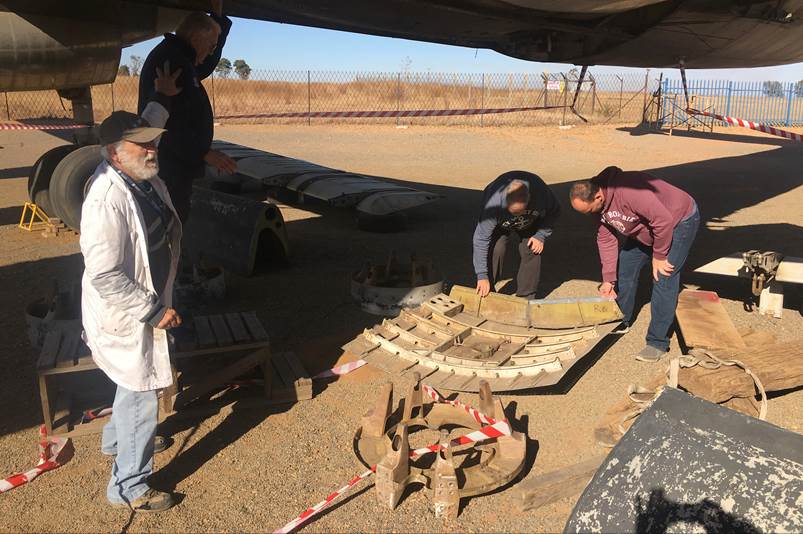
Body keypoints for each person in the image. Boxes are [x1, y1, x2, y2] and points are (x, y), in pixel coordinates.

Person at [80, 65, 182, 512]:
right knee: (142, 390)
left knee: (130, 380)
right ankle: (129, 488)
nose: (152, 149)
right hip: (129, 311)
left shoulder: (137, 175)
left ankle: (112, 443)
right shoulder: (106, 199)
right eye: (142, 144)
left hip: (144, 301)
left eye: (153, 141)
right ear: (113, 152)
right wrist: (152, 309)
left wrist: (162, 97)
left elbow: (144, 124)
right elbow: (104, 274)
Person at [569, 166, 700, 362]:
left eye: (589, 211)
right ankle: (622, 319)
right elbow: (606, 239)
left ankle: (657, 342)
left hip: (678, 220)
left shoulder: (630, 192)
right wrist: (608, 280)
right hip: (645, 228)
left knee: (663, 277)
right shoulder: (598, 203)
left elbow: (662, 221)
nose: (590, 215)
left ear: (598, 196)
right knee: (627, 265)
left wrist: (659, 255)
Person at [138, 6, 236, 224]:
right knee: (170, 223)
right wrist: (203, 153)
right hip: (169, 168)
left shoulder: (178, 56)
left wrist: (218, 18)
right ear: (195, 38)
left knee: (174, 220)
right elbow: (170, 124)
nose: (210, 53)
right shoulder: (173, 62)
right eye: (210, 46)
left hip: (173, 164)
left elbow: (205, 64)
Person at [473, 170, 560, 299]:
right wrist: (481, 275)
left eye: (519, 212)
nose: (516, 217)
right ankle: (488, 290)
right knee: (496, 248)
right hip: (500, 222)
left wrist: (541, 235)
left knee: (531, 248)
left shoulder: (541, 193)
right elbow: (481, 239)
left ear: (529, 198)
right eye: (513, 212)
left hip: (529, 220)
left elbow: (555, 211)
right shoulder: (492, 205)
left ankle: (527, 295)